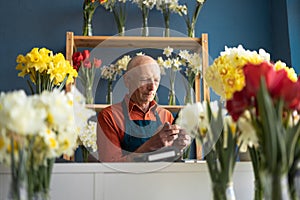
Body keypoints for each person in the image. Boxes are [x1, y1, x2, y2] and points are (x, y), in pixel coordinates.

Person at [97, 55, 190, 162]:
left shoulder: (165, 115)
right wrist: (150, 146)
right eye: (145, 79)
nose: (152, 88)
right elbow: (110, 167)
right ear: (127, 80)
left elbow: (169, 160)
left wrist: (178, 148)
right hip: (126, 179)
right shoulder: (109, 116)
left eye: (156, 80)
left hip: (161, 178)